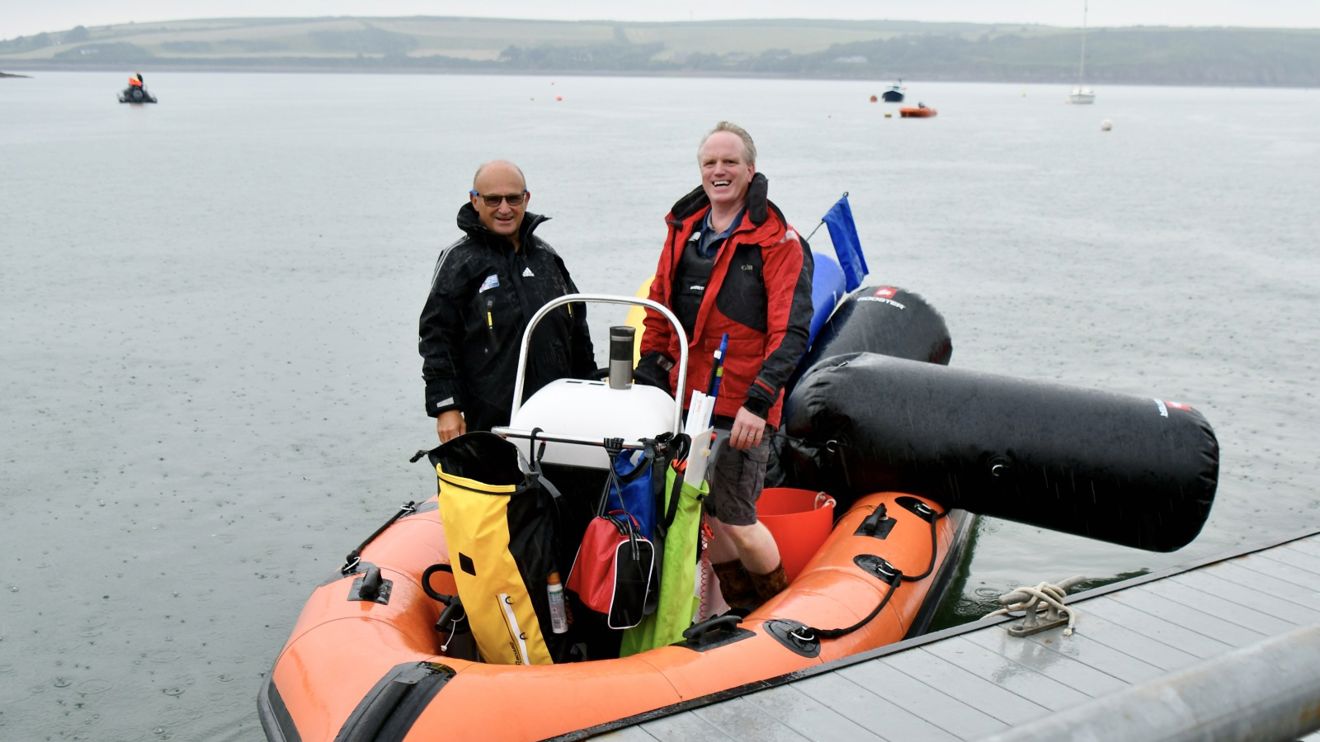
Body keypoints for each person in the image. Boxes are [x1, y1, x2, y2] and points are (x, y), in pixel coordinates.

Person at [636, 122, 814, 611]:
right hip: (685, 404)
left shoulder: (779, 242)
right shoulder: (682, 231)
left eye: (730, 162)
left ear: (750, 170)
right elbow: (659, 310)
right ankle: (739, 609)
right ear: (700, 170)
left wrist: (758, 404)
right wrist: (650, 372)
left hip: (742, 408)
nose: (719, 171)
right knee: (704, 517)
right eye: (710, 162)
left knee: (737, 517)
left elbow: (791, 334)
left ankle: (779, 614)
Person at [419, 160, 595, 442]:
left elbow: (577, 332)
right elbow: (436, 338)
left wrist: (592, 390)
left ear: (526, 199)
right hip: (489, 424)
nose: (504, 208)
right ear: (474, 201)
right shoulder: (458, 260)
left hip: (557, 421)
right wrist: (446, 406)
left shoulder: (546, 257)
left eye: (513, 198)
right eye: (493, 199)